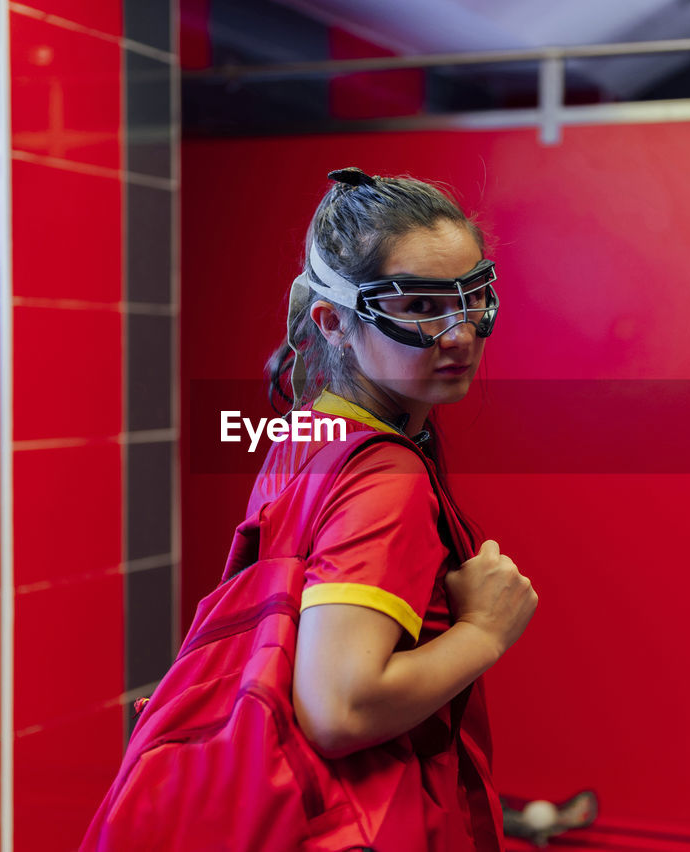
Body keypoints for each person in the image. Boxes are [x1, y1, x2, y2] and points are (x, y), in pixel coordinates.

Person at [255, 166, 539, 850]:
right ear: (335, 323)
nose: (459, 333)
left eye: (471, 298)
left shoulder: (310, 431)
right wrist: (486, 631)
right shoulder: (385, 475)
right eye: (418, 308)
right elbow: (339, 708)